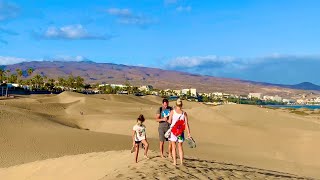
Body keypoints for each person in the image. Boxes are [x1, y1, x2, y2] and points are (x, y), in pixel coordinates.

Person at [168, 99, 191, 166]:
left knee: (173, 146)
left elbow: (169, 121)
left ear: (176, 104)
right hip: (180, 132)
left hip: (173, 131)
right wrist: (188, 133)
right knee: (180, 147)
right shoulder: (184, 113)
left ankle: (175, 162)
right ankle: (181, 162)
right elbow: (186, 124)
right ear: (182, 105)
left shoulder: (172, 112)